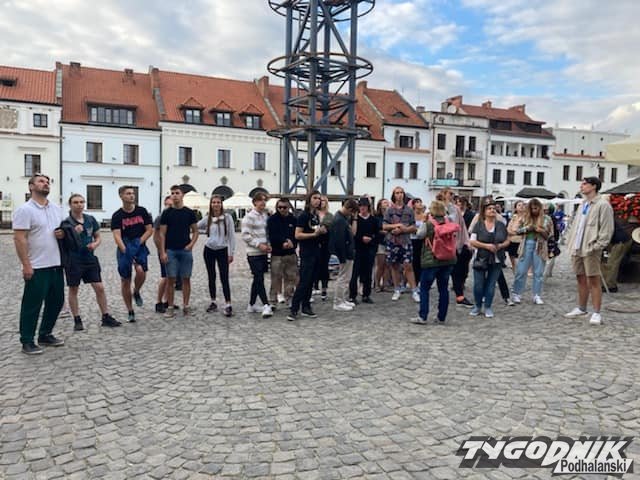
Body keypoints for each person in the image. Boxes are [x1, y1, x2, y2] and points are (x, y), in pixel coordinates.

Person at [13, 174, 66, 354]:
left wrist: (62, 234)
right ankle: (27, 340)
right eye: (41, 181)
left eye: (47, 182)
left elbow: (63, 230)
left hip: (56, 263)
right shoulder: (25, 210)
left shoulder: (56, 208)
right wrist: (26, 264)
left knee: (56, 301)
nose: (45, 184)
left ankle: (45, 334)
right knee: (32, 304)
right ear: (31, 186)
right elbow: (19, 238)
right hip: (37, 265)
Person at [61, 194, 120, 330]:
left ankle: (105, 316)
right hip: (74, 260)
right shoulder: (66, 223)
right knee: (73, 289)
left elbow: (98, 236)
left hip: (89, 258)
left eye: (82, 202)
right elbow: (64, 243)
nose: (79, 205)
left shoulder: (90, 219)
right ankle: (77, 319)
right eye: (76, 202)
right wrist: (73, 232)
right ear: (70, 205)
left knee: (99, 287)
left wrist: (95, 244)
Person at [564, 177, 615, 325]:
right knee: (580, 277)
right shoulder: (583, 204)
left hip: (591, 247)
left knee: (593, 279)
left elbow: (606, 229)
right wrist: (569, 241)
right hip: (577, 246)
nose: (582, 186)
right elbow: (576, 225)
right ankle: (582, 308)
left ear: (594, 186)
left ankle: (597, 312)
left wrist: (597, 246)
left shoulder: (603, 205)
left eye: (585, 184)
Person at [412, 200, 460, 324]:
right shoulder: (449, 222)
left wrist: (424, 222)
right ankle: (441, 317)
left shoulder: (429, 224)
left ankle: (423, 316)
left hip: (432, 259)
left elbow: (419, 235)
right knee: (443, 289)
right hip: (448, 259)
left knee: (424, 288)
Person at [111, 186, 153, 323]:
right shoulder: (117, 215)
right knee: (125, 280)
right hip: (124, 246)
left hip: (139, 245)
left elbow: (149, 230)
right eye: (128, 193)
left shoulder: (142, 211)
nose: (131, 196)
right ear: (121, 196)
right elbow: (117, 236)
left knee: (141, 271)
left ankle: (136, 291)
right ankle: (130, 310)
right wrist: (126, 251)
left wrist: (138, 243)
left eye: (133, 193)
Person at [159, 185, 199, 317]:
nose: (175, 195)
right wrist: (163, 252)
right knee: (171, 279)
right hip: (171, 250)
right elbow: (162, 234)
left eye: (177, 193)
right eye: (172, 193)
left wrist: (191, 244)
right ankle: (170, 307)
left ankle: (186, 306)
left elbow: (195, 231)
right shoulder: (167, 213)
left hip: (185, 250)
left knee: (186, 278)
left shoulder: (189, 213)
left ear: (182, 195)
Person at [288, 191, 327, 321]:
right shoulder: (303, 216)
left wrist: (322, 232)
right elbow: (297, 235)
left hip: (317, 251)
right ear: (309, 199)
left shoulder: (315, 216)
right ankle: (294, 309)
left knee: (311, 280)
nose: (317, 200)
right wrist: (314, 234)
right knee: (304, 281)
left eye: (319, 198)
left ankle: (306, 306)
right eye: (315, 198)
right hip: (307, 252)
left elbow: (317, 231)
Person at [469, 200, 510, 318]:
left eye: (494, 209)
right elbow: (472, 241)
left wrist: (500, 246)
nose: (492, 210)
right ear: (484, 211)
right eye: (489, 209)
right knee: (478, 284)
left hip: (497, 258)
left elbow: (507, 240)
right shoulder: (479, 225)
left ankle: (488, 306)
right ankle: (477, 305)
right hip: (481, 258)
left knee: (491, 284)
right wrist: (486, 246)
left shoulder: (501, 225)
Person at [510, 199, 553, 305]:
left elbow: (550, 235)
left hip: (540, 245)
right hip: (526, 244)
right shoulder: (525, 217)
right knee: (521, 270)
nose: (534, 210)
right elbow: (516, 231)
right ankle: (517, 293)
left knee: (538, 272)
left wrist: (541, 230)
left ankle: (536, 294)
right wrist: (527, 228)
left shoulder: (546, 219)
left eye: (536, 208)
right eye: (532, 208)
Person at [198, 194, 235, 317]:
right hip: (209, 250)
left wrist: (231, 253)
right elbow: (196, 227)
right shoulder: (208, 218)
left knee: (224, 277)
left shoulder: (227, 218)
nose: (216, 204)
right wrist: (204, 231)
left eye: (218, 202)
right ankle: (213, 301)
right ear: (211, 204)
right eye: (214, 202)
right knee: (211, 276)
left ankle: (228, 303)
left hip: (222, 250)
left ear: (221, 204)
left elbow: (231, 236)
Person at [383, 186, 419, 302]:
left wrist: (404, 229)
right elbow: (384, 226)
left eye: (401, 192)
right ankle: (397, 289)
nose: (399, 195)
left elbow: (414, 227)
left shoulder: (409, 210)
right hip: (392, 241)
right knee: (394, 266)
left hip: (405, 241)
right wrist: (396, 226)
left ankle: (414, 290)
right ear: (394, 195)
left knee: (408, 266)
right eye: (397, 193)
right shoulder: (389, 210)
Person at [241, 192, 273, 318]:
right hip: (253, 252)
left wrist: (268, 244)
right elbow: (245, 235)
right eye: (260, 200)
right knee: (259, 277)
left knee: (258, 278)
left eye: (264, 200)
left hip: (263, 252)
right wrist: (258, 244)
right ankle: (266, 304)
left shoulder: (264, 216)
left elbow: (266, 233)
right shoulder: (249, 217)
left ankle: (252, 304)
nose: (263, 202)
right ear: (255, 202)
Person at [266, 197, 298, 308]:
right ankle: (272, 301)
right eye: (279, 207)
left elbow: (296, 234)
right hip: (277, 253)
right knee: (275, 278)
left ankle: (289, 298)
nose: (282, 209)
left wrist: (292, 243)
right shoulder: (272, 219)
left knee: (291, 278)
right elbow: (272, 235)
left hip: (291, 253)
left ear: (289, 207)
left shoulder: (293, 219)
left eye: (284, 207)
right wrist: (283, 242)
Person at [330, 199, 359, 311]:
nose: (351, 215)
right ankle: (338, 302)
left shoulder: (341, 218)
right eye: (352, 213)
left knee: (346, 278)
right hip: (345, 253)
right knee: (343, 278)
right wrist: (342, 257)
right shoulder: (339, 220)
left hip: (347, 252)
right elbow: (339, 241)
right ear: (350, 209)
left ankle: (342, 299)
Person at [349, 197, 378, 304]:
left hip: (369, 248)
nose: (362, 208)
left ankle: (366, 295)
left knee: (368, 273)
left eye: (364, 206)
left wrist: (371, 239)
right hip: (357, 248)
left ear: (368, 207)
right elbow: (352, 234)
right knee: (354, 273)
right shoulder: (355, 219)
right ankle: (352, 295)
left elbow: (377, 233)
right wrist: (361, 238)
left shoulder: (373, 220)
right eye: (361, 206)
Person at [601, 217, 633, 293]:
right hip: (612, 241)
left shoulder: (605, 218)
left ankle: (611, 286)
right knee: (606, 262)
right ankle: (605, 283)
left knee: (613, 263)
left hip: (620, 242)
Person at [153, 196, 172, 313]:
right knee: (164, 276)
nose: (168, 207)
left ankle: (168, 301)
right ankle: (158, 302)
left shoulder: (174, 217)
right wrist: (161, 251)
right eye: (167, 205)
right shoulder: (160, 218)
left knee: (171, 277)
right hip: (164, 250)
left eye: (170, 205)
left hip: (173, 249)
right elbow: (155, 236)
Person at [313, 195, 333, 300]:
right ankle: (314, 286)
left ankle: (324, 288)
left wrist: (326, 229)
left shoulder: (330, 216)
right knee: (314, 265)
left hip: (326, 243)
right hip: (314, 242)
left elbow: (331, 229)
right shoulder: (313, 214)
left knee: (324, 266)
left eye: (324, 201)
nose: (322, 202)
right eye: (321, 200)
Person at [374, 198, 391, 292]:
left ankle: (385, 284)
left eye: (388, 202)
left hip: (390, 242)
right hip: (380, 242)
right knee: (380, 264)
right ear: (380, 205)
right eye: (385, 202)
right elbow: (375, 229)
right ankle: (377, 284)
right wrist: (382, 232)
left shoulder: (391, 216)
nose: (387, 204)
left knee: (388, 265)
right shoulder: (377, 217)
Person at [507, 200, 526, 272]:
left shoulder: (526, 218)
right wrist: (514, 232)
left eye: (523, 205)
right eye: (519, 205)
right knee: (512, 257)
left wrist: (515, 232)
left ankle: (520, 272)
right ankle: (515, 271)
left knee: (520, 258)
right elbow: (508, 228)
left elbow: (524, 230)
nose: (521, 206)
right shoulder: (514, 217)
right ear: (515, 208)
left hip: (521, 241)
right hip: (512, 240)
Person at [410, 198, 425, 286]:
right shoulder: (411, 215)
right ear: (413, 205)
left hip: (422, 240)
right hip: (412, 239)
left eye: (420, 202)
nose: (420, 204)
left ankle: (419, 280)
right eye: (417, 202)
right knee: (413, 261)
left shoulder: (425, 215)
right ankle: (412, 280)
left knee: (420, 261)